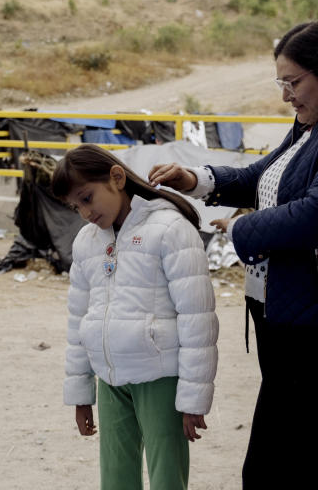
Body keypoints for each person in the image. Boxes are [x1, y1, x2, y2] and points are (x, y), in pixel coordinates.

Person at [148, 20, 318, 489]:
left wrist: (240, 228)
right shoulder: (317, 123)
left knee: (276, 470)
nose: (286, 96)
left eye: (293, 83)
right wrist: (198, 180)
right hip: (291, 323)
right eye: (281, 83)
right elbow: (266, 177)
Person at [53, 144, 219, 490]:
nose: (84, 213)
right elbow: (78, 320)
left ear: (116, 178)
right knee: (115, 479)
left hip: (161, 379)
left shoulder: (171, 230)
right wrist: (81, 393)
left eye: (86, 198)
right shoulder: (87, 242)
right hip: (111, 381)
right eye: (74, 206)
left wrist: (193, 399)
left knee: (166, 479)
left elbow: (197, 318)